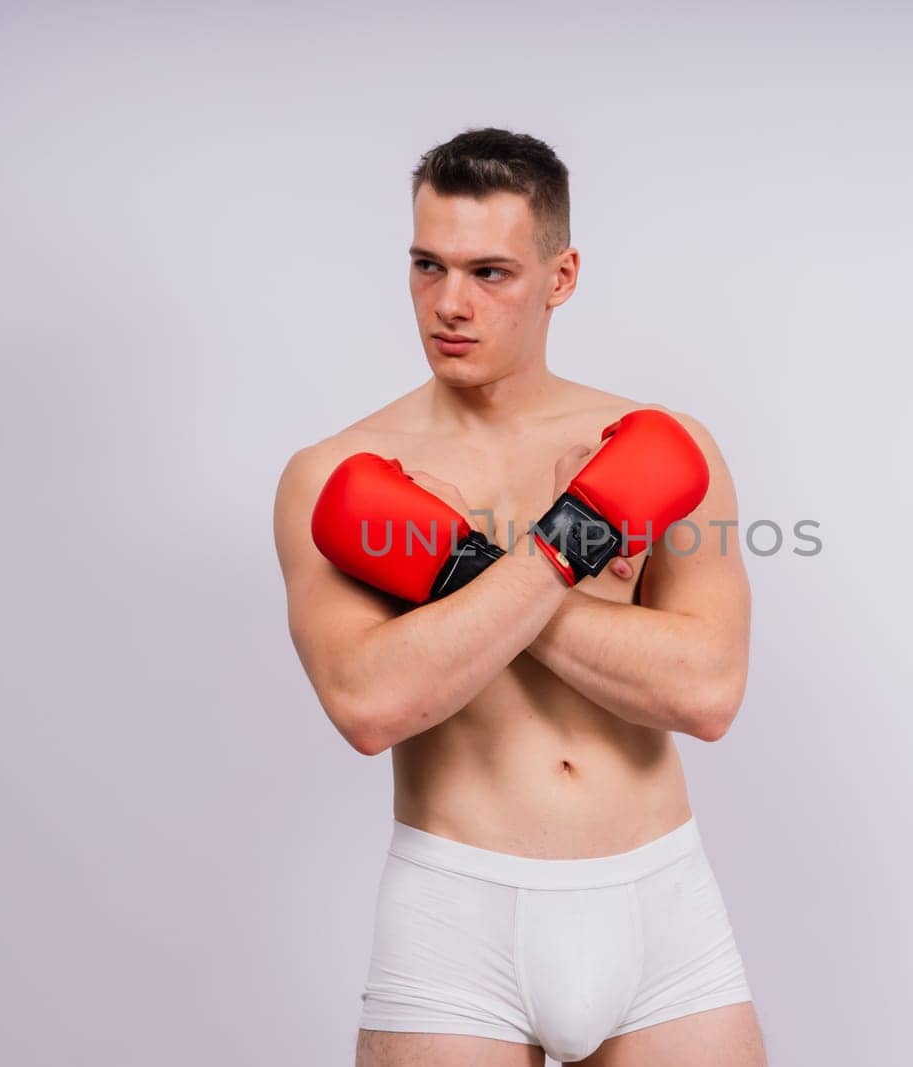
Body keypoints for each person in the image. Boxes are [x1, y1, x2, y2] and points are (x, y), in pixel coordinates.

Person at [273, 128, 766, 1066]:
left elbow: (708, 692)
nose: (448, 304)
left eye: (490, 272)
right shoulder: (333, 477)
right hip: (458, 913)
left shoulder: (657, 448)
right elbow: (370, 705)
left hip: (660, 906)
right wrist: (566, 548)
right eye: (428, 265)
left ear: (560, 275)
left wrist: (463, 572)